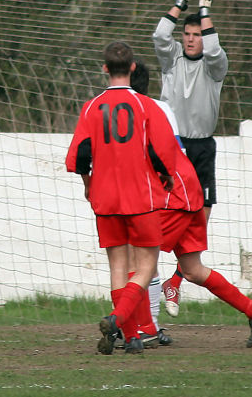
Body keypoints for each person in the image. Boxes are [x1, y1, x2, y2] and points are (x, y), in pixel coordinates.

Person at [130, 60, 252, 348]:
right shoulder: (162, 108)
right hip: (190, 190)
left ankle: (147, 328)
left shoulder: (137, 113)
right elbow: (177, 150)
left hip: (174, 196)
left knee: (139, 258)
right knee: (192, 269)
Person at [65, 41, 177, 355]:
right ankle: (118, 319)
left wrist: (88, 184)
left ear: (104, 68)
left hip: (105, 198)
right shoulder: (145, 105)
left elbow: (80, 155)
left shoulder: (91, 107)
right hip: (140, 197)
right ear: (131, 68)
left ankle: (131, 338)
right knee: (145, 267)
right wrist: (166, 177)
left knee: (117, 266)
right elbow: (161, 153)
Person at [152, 0, 228, 317]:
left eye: (197, 34)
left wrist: (205, 4)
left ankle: (175, 283)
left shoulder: (215, 67)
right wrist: (181, 0)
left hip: (202, 150)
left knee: (200, 221)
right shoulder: (171, 62)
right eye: (188, 33)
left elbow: (214, 48)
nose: (191, 39)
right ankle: (150, 289)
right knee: (164, 222)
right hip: (172, 148)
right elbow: (159, 34)